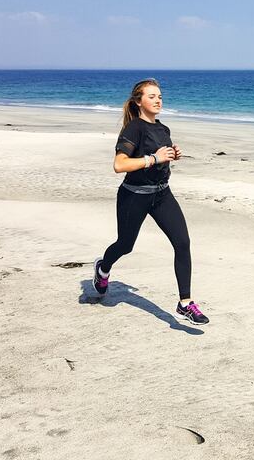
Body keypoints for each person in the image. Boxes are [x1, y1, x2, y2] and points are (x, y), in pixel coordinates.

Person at [93, 78, 209, 325]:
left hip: (162, 194)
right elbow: (119, 164)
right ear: (138, 101)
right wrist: (153, 159)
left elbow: (159, 159)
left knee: (182, 242)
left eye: (160, 96)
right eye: (152, 96)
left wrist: (171, 156)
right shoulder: (134, 129)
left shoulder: (163, 129)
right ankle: (103, 268)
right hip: (134, 196)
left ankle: (185, 303)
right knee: (125, 245)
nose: (158, 101)